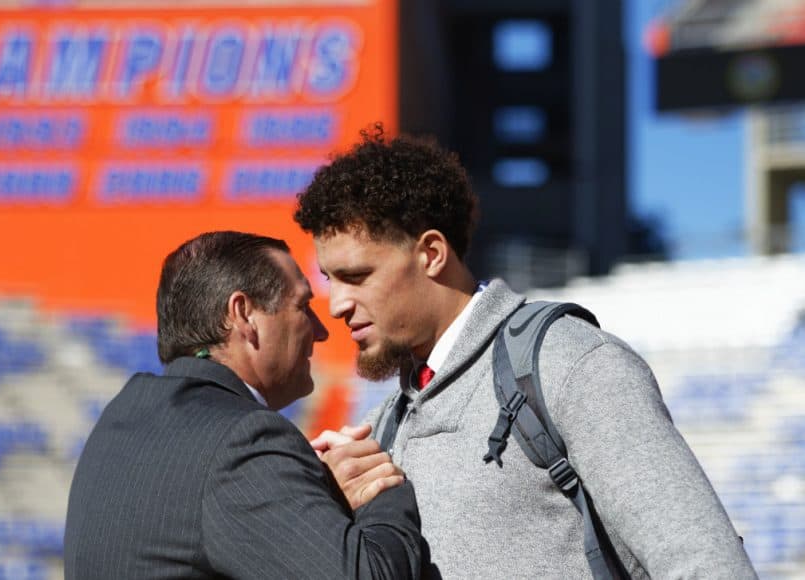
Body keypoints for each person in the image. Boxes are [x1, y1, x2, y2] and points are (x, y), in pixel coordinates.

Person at [294, 127, 756, 579]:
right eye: (329, 280)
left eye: (356, 276)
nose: (336, 305)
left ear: (431, 253)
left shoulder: (570, 365)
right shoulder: (383, 432)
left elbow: (705, 563)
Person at [63, 231, 426, 580]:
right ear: (243, 313)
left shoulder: (120, 419)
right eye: (303, 306)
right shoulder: (243, 441)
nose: (321, 330)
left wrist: (314, 493)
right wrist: (380, 486)